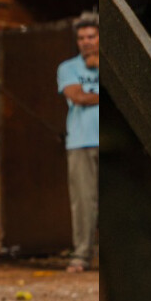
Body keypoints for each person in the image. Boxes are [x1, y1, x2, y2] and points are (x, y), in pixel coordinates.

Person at [58, 14, 100, 271]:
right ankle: (82, 255)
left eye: (91, 37)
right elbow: (77, 97)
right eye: (81, 38)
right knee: (83, 201)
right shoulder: (68, 68)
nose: (86, 42)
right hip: (80, 142)